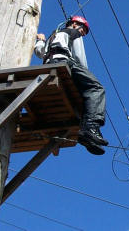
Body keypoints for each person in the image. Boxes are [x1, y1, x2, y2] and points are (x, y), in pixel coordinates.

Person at [34, 16, 108, 155]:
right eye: (83, 30)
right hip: (65, 63)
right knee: (96, 89)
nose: (83, 33)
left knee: (84, 96)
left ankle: (89, 135)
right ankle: (91, 128)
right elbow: (80, 59)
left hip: (50, 64)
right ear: (74, 24)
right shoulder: (74, 34)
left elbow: (40, 52)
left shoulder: (54, 36)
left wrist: (40, 40)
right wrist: (85, 76)